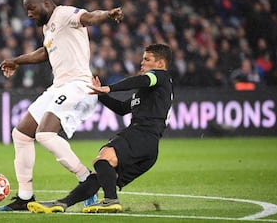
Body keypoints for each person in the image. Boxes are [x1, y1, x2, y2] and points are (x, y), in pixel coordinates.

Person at [0, 0, 124, 211]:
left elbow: (89, 17)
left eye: (31, 9)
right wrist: (17, 61)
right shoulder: (48, 27)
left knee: (44, 134)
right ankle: (25, 197)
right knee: (21, 134)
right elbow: (44, 53)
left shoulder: (64, 14)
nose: (29, 14)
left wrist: (107, 14)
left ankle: (87, 179)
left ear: (46, 4)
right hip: (59, 86)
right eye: (26, 10)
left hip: (78, 85)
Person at [26, 43, 174, 213]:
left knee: (102, 159)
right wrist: (100, 94)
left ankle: (110, 200)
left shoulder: (160, 77)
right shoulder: (149, 92)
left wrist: (109, 87)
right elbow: (122, 108)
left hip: (142, 134)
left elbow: (142, 79)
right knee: (100, 176)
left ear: (161, 64)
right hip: (149, 147)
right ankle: (62, 203)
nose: (142, 63)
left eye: (147, 59)